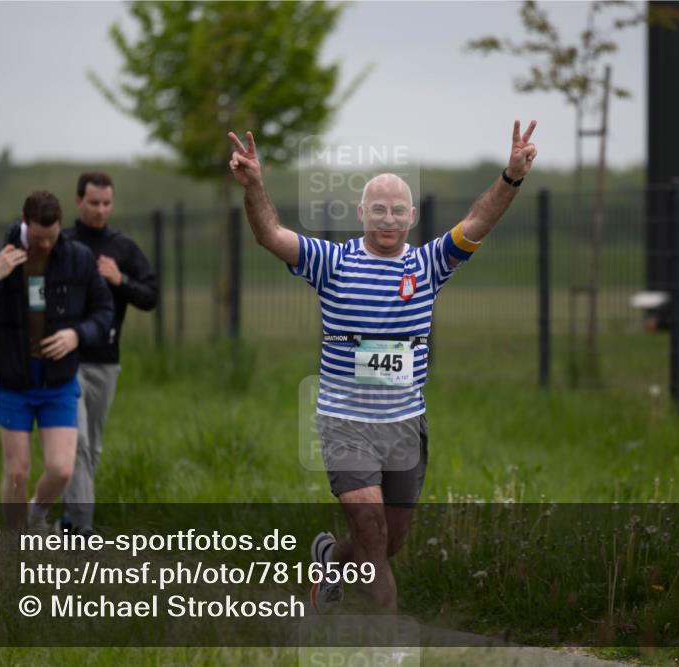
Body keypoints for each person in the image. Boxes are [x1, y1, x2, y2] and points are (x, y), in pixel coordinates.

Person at [227, 120, 538, 613]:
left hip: (403, 424)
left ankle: (330, 558)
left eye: (397, 210)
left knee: (387, 543)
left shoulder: (429, 265)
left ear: (411, 216)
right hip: (345, 422)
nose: (388, 219)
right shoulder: (333, 262)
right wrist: (256, 187)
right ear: (362, 213)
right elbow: (270, 234)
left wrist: (512, 177)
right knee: (370, 532)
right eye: (378, 209)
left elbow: (479, 221)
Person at [0, 190, 113, 531]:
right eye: (37, 238)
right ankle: (17, 545)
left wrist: (77, 335)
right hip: (13, 381)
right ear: (23, 222)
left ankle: (35, 514)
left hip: (59, 381)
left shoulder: (78, 259)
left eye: (52, 237)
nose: (45, 245)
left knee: (62, 469)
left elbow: (103, 309)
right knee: (17, 471)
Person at [56, 172, 158, 537]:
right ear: (78, 201)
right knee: (77, 441)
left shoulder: (123, 247)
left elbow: (151, 295)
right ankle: (82, 528)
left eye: (107, 203)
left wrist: (121, 281)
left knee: (92, 447)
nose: (101, 210)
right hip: (66, 359)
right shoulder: (62, 243)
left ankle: (69, 520)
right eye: (94, 202)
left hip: (107, 360)